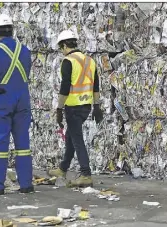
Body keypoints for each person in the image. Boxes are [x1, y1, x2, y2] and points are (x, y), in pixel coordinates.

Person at [0, 14, 33, 195]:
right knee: (23, 144)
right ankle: (26, 184)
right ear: (12, 30)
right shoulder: (25, 50)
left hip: (2, 100)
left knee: (1, 143)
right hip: (23, 100)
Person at [47, 30, 103, 188]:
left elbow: (65, 87)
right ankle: (62, 169)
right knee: (71, 136)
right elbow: (96, 86)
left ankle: (86, 174)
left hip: (73, 106)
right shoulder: (90, 61)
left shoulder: (68, 61)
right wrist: (97, 106)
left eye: (61, 48)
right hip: (87, 106)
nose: (62, 51)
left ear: (64, 45)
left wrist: (59, 108)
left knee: (77, 139)